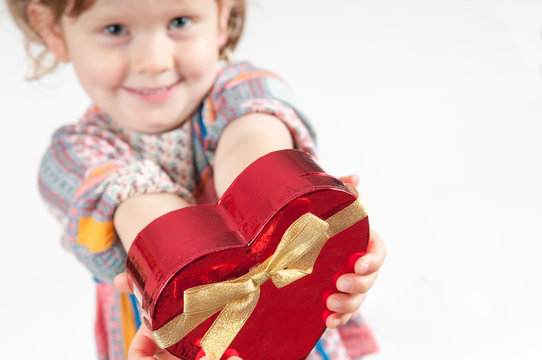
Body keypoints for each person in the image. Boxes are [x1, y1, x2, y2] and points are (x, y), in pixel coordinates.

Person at [7, 0, 386, 359]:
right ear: (53, 30)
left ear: (222, 14)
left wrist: (327, 232)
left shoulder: (244, 93)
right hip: (172, 347)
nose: (153, 62)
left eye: (179, 22)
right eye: (114, 28)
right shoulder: (74, 158)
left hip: (289, 318)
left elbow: (254, 152)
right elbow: (167, 243)